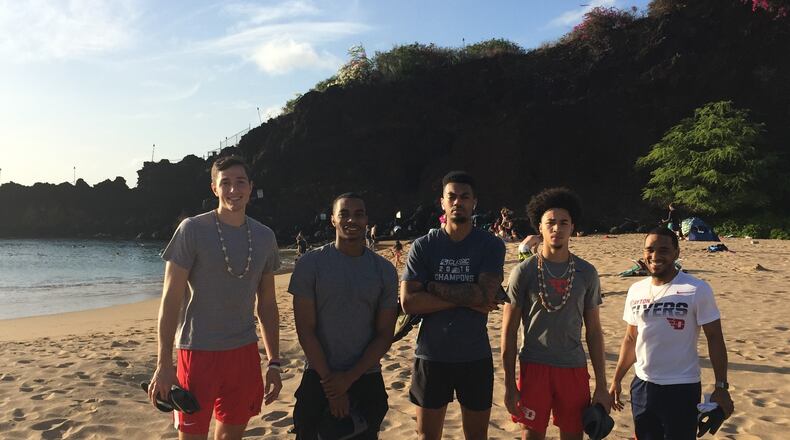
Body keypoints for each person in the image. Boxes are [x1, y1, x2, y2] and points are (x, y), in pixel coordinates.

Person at [148, 155, 282, 440]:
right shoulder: (192, 230)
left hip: (244, 353)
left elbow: (268, 305)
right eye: (226, 183)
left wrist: (274, 362)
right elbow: (170, 300)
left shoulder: (264, 237)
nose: (234, 189)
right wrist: (163, 363)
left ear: (251, 187)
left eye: (240, 182)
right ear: (214, 188)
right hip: (197, 352)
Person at [400, 171, 506, 440]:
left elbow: (485, 295)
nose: (458, 202)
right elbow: (409, 302)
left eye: (464, 197)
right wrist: (470, 298)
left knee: (477, 436)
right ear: (442, 202)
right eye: (452, 197)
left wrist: (432, 287)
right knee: (427, 436)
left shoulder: (490, 245)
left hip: (475, 355)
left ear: (474, 202)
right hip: (431, 355)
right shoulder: (424, 246)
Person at [502, 187, 610, 440]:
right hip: (534, 367)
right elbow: (508, 331)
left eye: (563, 222)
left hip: (573, 368)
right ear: (539, 227)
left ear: (572, 227)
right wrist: (509, 385)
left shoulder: (587, 273)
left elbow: (594, 331)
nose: (556, 228)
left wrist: (602, 386)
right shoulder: (523, 272)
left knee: (573, 434)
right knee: (532, 434)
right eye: (550, 222)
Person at [289, 192, 399, 439]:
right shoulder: (310, 264)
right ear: (333, 220)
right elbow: (306, 331)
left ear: (366, 220)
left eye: (358, 214)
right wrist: (334, 388)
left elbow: (384, 334)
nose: (352, 220)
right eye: (344, 214)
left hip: (366, 375)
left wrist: (349, 378)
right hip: (319, 374)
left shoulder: (384, 271)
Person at [609, 227, 734, 439]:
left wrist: (721, 386)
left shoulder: (696, 288)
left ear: (676, 253)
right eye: (650, 249)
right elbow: (631, 338)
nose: (655, 256)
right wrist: (616, 379)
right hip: (643, 386)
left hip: (682, 387)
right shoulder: (636, 290)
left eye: (664, 250)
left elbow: (715, 338)